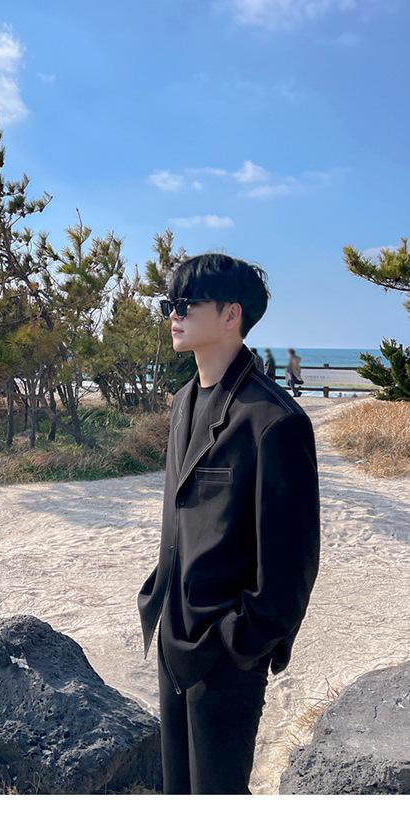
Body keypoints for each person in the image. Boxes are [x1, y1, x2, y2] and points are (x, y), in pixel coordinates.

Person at [138, 252, 320, 795]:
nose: (173, 314)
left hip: (225, 651)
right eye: (169, 303)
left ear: (231, 314)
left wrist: (240, 640)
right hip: (173, 631)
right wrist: (160, 598)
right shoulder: (182, 403)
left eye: (186, 303)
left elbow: (292, 564)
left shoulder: (275, 421)